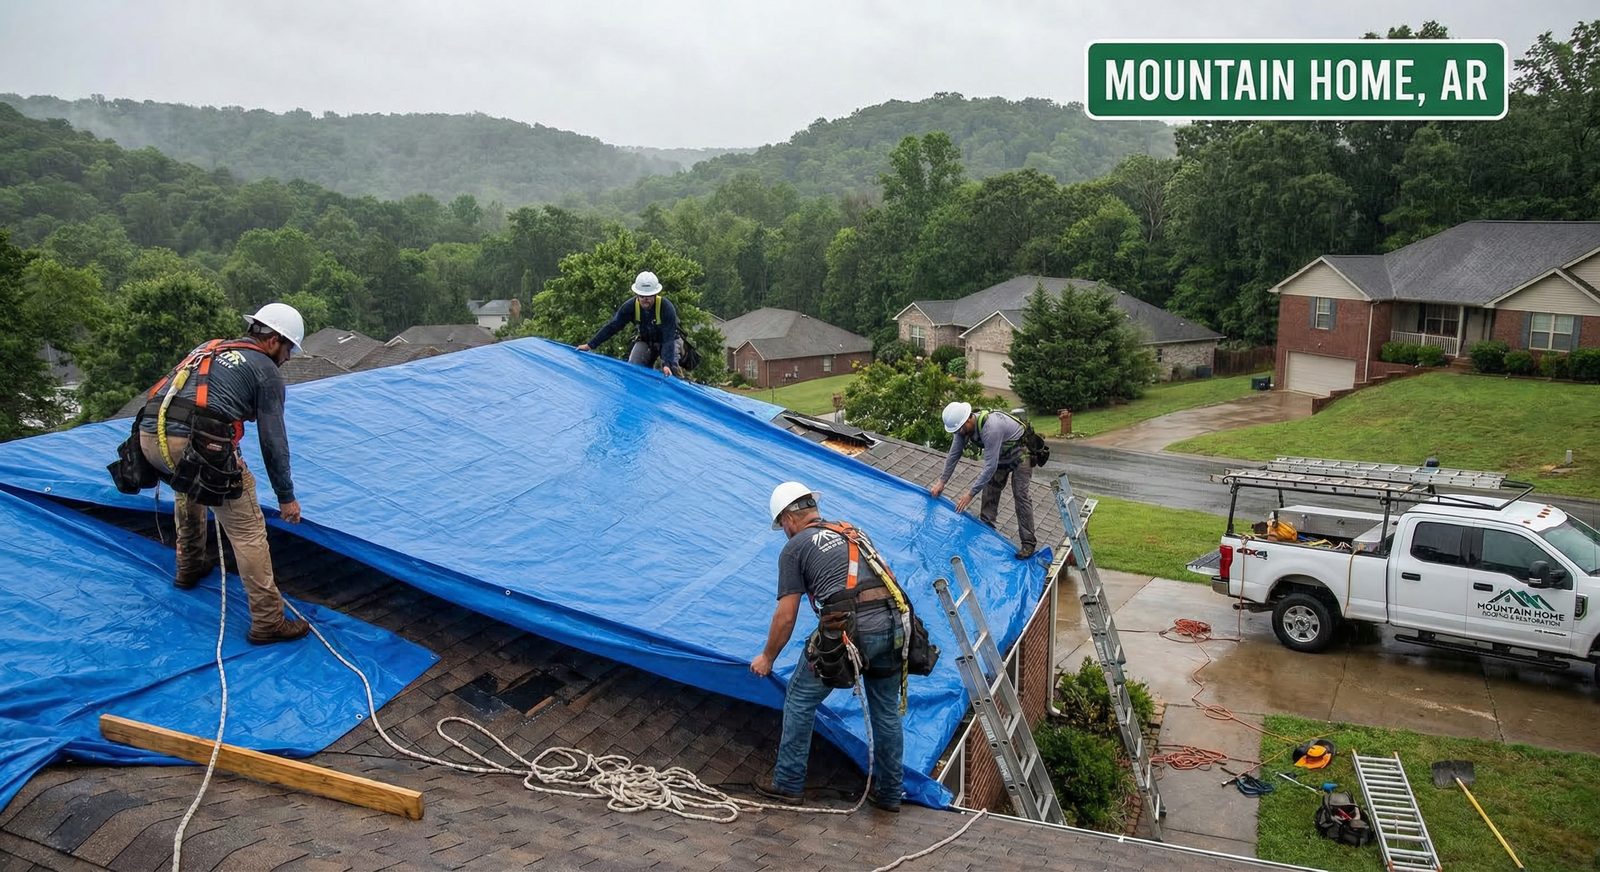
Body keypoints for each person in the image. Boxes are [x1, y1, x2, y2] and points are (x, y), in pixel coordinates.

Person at [137, 302, 310, 645]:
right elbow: (273, 440)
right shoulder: (265, 370)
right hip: (193, 443)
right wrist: (286, 496)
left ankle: (189, 568)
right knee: (247, 530)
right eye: (289, 348)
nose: (288, 358)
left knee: (189, 487)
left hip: (148, 438)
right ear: (273, 340)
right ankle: (268, 621)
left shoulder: (209, 348)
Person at [750, 482, 905, 813]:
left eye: (782, 527)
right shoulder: (852, 531)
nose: (784, 533)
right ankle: (890, 793)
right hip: (896, 626)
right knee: (886, 711)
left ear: (790, 519)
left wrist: (767, 657)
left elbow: (786, 615)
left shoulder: (795, 548)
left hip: (854, 631)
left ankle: (788, 783)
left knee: (800, 697)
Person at [930, 401, 1038, 559]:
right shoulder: (962, 430)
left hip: (1022, 455)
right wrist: (942, 482)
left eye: (960, 428)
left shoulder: (991, 427)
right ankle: (986, 532)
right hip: (1002, 455)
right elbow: (954, 455)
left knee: (1020, 495)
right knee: (990, 490)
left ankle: (1028, 543)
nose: (959, 432)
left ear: (968, 419)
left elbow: (990, 467)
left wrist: (970, 494)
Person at [576, 270, 682, 376]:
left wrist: (667, 363)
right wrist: (590, 345)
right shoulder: (630, 306)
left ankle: (677, 380)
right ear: (636, 294)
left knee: (670, 370)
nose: (645, 299)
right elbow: (612, 326)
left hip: (670, 340)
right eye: (642, 296)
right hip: (646, 340)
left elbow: (668, 338)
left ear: (655, 294)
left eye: (649, 296)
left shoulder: (666, 307)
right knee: (634, 366)